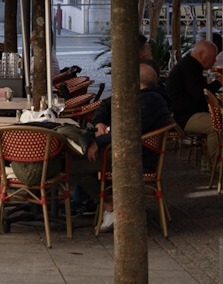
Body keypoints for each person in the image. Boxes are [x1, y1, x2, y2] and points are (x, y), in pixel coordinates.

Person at [70, 63, 171, 232]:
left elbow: (128, 133)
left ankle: (108, 203)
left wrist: (99, 142)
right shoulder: (138, 94)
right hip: (122, 150)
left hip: (134, 157)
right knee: (77, 158)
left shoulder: (151, 101)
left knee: (72, 165)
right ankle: (102, 202)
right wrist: (100, 122)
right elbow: (105, 105)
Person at [165, 39, 221, 168]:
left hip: (183, 113)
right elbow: (200, 95)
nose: (214, 62)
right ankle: (214, 163)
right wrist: (219, 83)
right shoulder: (188, 68)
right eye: (213, 58)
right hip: (183, 117)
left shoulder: (190, 65)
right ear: (201, 55)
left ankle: (210, 161)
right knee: (216, 126)